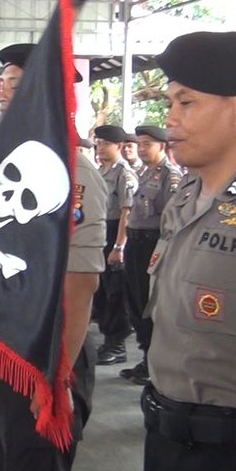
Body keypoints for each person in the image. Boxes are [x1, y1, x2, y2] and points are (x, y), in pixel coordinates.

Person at [142, 31, 236, 471]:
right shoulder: (186, 200)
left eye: (186, 103)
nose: (170, 121)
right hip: (165, 440)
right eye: (169, 105)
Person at [0, 42, 106, 471]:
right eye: (4, 84)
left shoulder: (74, 175)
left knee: (33, 466)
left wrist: (53, 377)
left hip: (41, 358)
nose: (4, 94)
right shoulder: (1, 161)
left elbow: (80, 287)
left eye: (16, 85)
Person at [119, 125, 181, 386]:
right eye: (140, 144)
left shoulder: (171, 176)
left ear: (162, 147)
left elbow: (171, 218)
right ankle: (146, 356)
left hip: (152, 245)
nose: (142, 149)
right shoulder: (142, 173)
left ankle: (156, 363)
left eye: (148, 144)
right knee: (134, 303)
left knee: (149, 304)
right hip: (134, 242)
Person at [92, 124, 137, 365]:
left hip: (115, 231)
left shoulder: (124, 173)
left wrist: (119, 246)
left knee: (115, 292)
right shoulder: (100, 170)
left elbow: (126, 212)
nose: (100, 147)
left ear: (118, 146)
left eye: (105, 143)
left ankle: (117, 344)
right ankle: (108, 340)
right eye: (98, 142)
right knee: (101, 290)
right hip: (99, 230)